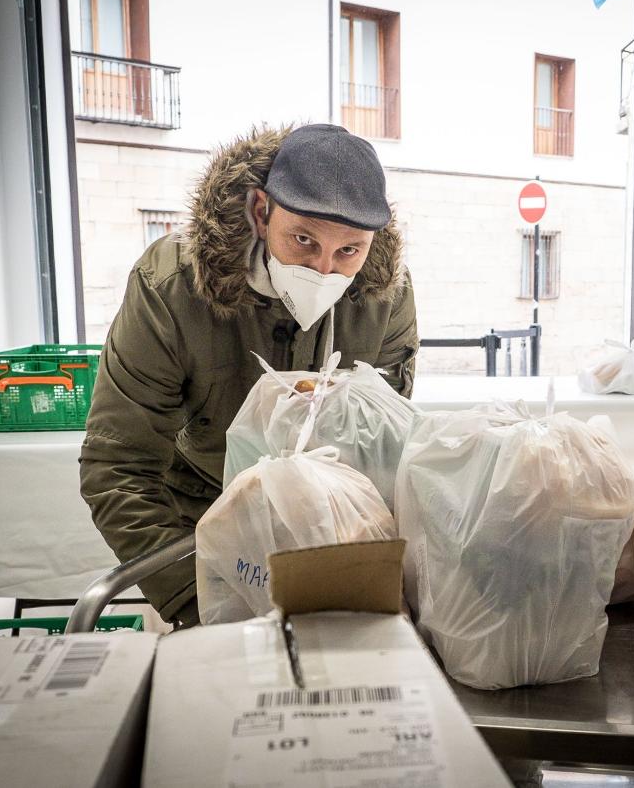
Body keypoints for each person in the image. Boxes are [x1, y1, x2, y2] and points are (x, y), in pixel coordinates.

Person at [80, 124, 418, 627]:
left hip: (338, 531)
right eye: (303, 239)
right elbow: (117, 466)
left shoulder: (380, 293)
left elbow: (387, 449)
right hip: (201, 523)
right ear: (262, 212)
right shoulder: (172, 288)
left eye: (349, 249)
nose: (324, 269)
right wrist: (197, 601)